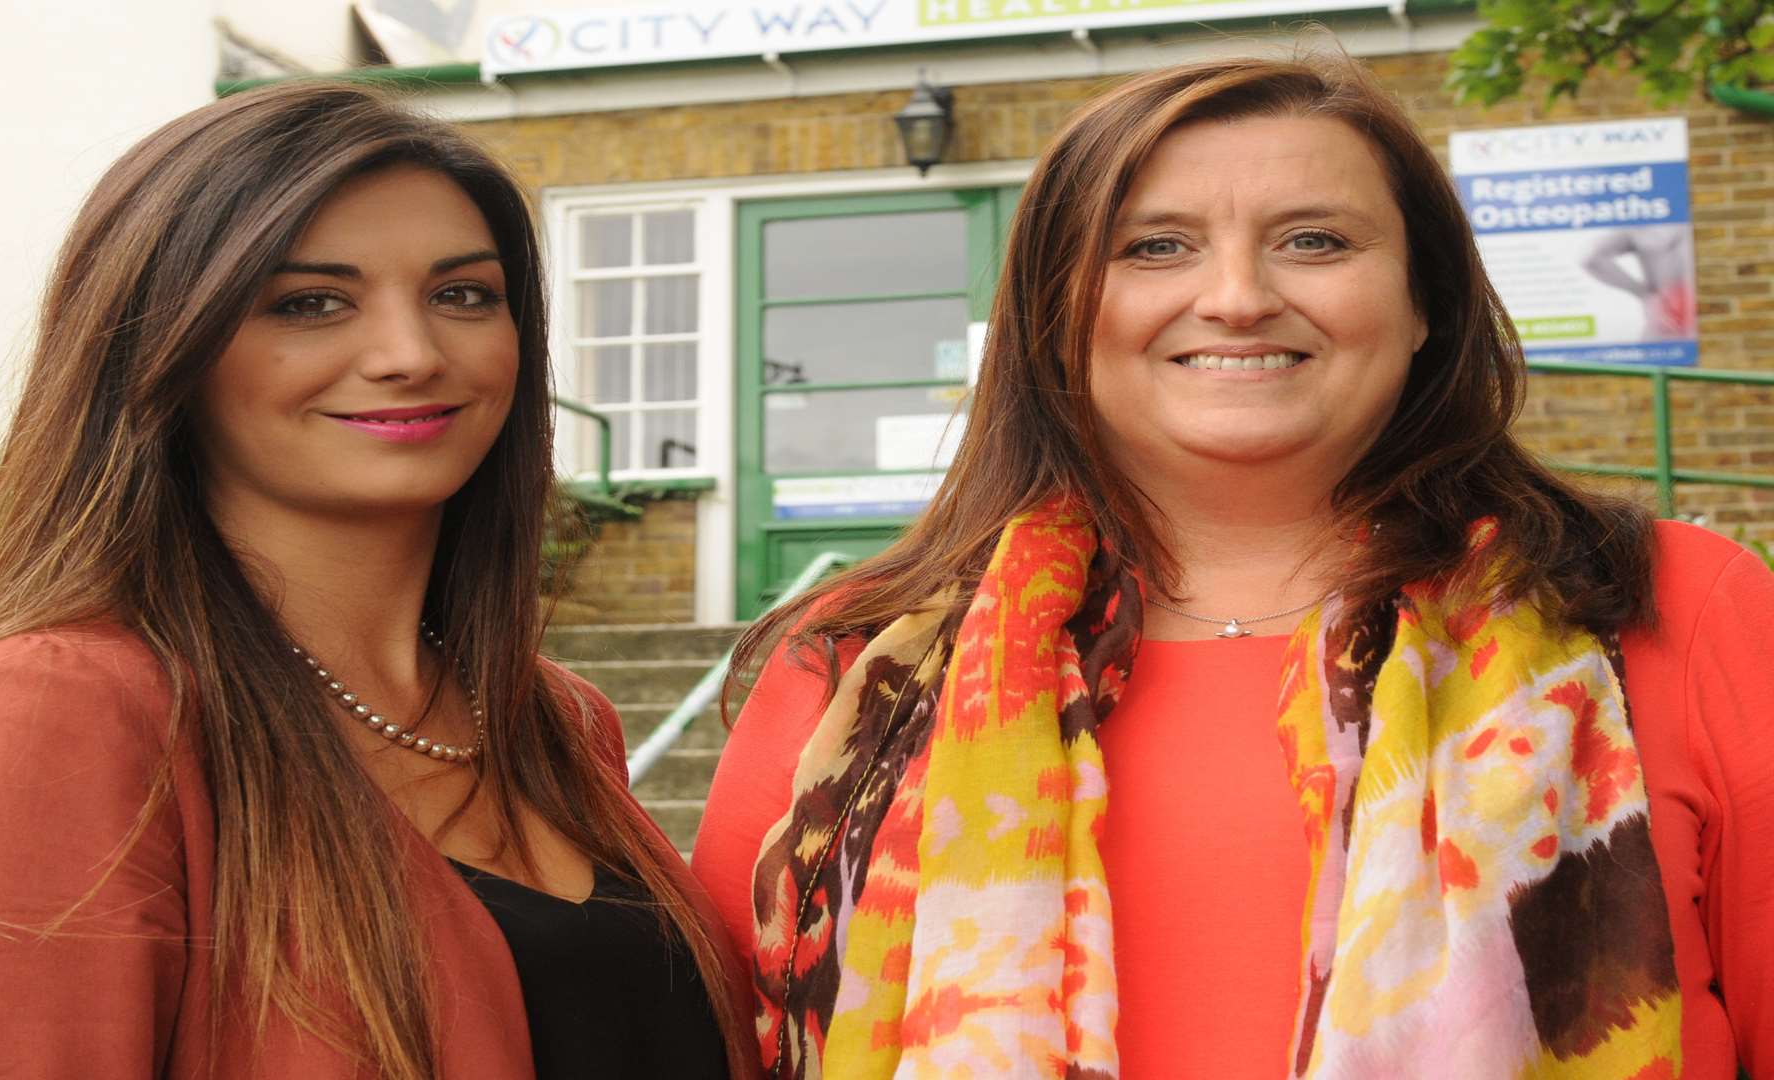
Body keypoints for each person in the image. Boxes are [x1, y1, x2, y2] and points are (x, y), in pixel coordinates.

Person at [693, 55, 1771, 1080]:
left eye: (1315, 240)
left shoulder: (1681, 608)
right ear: (1055, 317)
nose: (1239, 296)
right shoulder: (852, 664)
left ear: (1424, 305)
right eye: (1155, 247)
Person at [0, 82, 756, 1080]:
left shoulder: (553, 720)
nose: (412, 354)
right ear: (164, 351)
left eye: (463, 295)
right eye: (308, 303)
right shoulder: (65, 712)